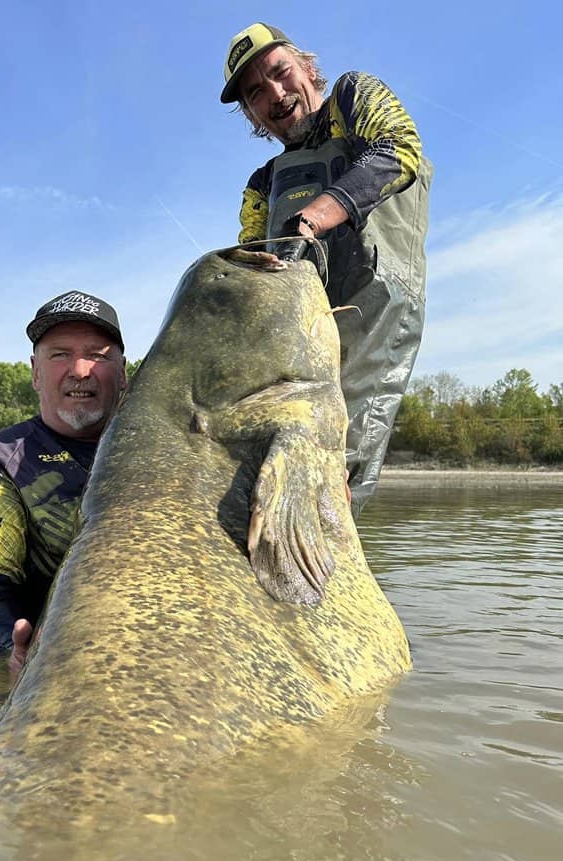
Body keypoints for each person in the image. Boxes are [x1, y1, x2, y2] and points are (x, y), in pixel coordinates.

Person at [220, 23, 432, 516]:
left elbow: (399, 148)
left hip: (372, 313)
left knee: (336, 470)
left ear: (308, 69)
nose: (275, 94)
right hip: (292, 335)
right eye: (255, 93)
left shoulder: (352, 98)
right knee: (260, 471)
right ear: (251, 114)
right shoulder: (261, 183)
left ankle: (327, 581)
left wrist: (314, 215)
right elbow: (252, 266)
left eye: (280, 72)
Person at [0, 290, 127, 671]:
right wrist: (11, 644)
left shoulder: (174, 443)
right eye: (60, 354)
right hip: (51, 649)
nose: (80, 370)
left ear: (124, 372)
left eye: (97, 354)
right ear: (34, 371)